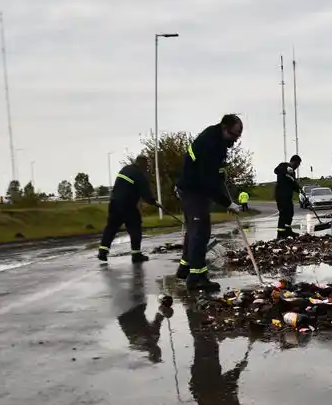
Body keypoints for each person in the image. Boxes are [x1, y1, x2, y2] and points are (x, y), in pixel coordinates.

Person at [173, 114, 244, 290]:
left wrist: (220, 172)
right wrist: (228, 203)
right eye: (234, 135)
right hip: (194, 189)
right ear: (224, 128)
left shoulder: (216, 138)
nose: (235, 140)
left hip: (192, 186)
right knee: (200, 232)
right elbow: (209, 182)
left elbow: (212, 171)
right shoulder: (210, 144)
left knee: (193, 230)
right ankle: (196, 278)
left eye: (238, 137)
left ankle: (185, 267)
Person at [98, 154, 157, 263]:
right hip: (127, 205)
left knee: (111, 227)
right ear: (142, 164)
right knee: (135, 227)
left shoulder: (125, 169)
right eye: (146, 165)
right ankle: (136, 254)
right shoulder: (139, 174)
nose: (146, 168)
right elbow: (146, 194)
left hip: (114, 203)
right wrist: (153, 201)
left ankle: (103, 251)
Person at [274, 154, 302, 239]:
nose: (297, 166)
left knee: (290, 213)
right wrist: (286, 170)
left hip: (288, 196)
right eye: (297, 164)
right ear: (294, 161)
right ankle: (280, 234)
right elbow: (276, 170)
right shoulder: (283, 166)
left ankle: (288, 231)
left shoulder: (292, 172)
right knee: (283, 214)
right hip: (281, 195)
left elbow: (293, 184)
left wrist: (299, 190)